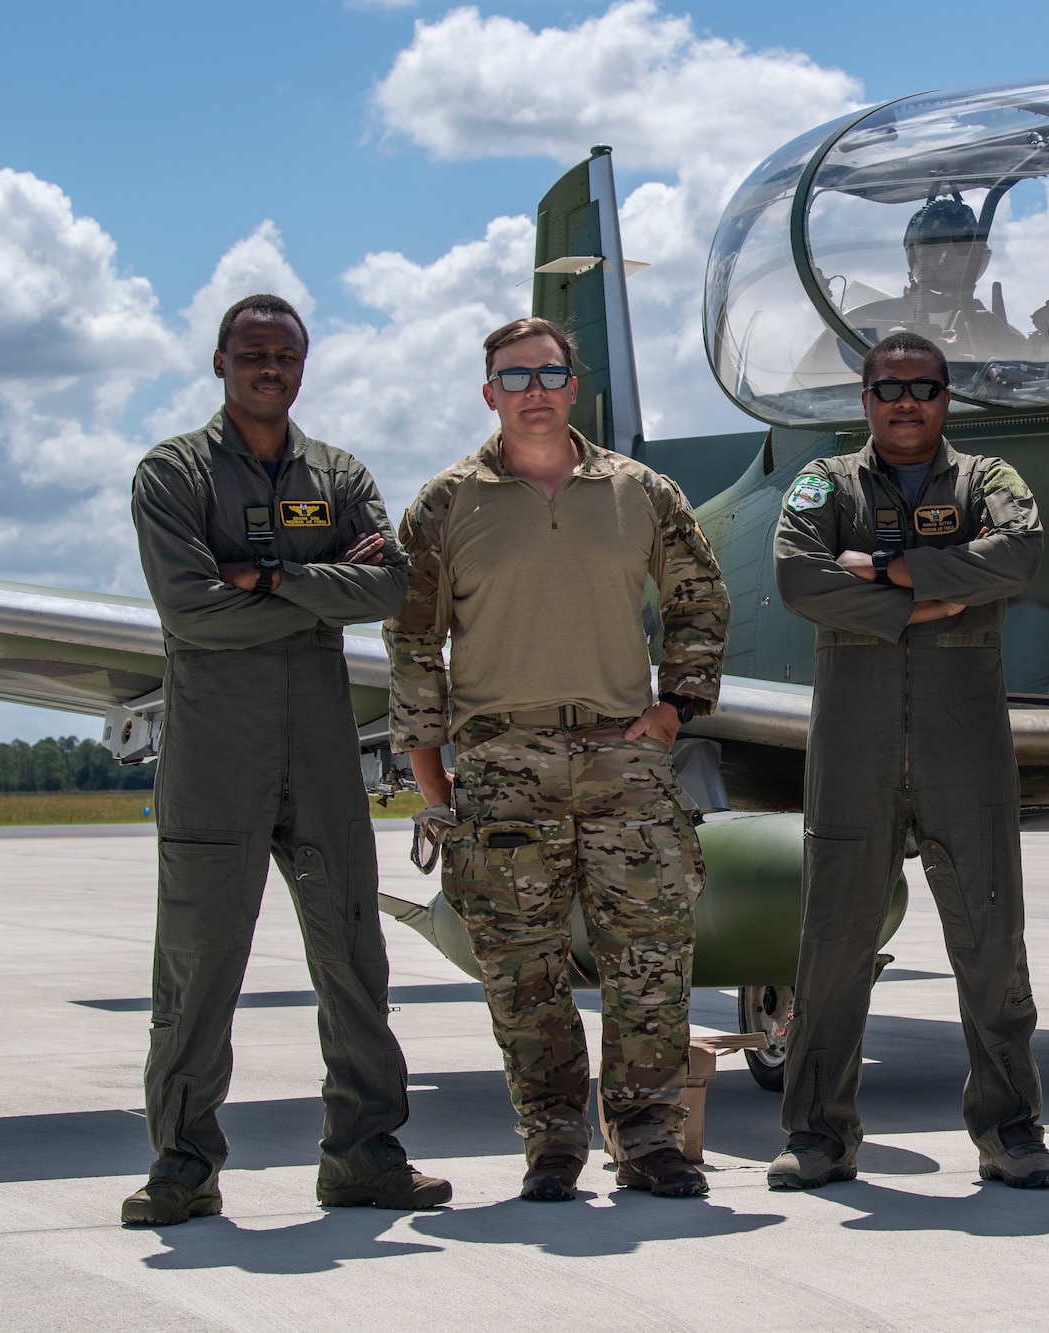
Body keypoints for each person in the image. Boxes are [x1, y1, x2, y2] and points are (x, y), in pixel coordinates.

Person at [122, 294, 449, 1227]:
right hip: (212, 756)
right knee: (197, 968)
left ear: (303, 367)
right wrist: (320, 592)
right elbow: (190, 611)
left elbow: (389, 581)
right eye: (252, 353)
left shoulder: (338, 472)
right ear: (219, 362)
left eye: (285, 355)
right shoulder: (173, 473)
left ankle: (365, 1154)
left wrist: (267, 575)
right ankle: (182, 1167)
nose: (270, 367)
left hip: (320, 749)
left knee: (354, 958)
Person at [385, 317, 729, 1202]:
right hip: (503, 762)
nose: (533, 388)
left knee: (650, 956)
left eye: (549, 372)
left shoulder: (640, 491)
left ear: (574, 386)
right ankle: (551, 1141)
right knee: (521, 969)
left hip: (624, 756)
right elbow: (413, 646)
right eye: (514, 375)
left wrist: (673, 707)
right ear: (489, 392)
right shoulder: (445, 504)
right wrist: (435, 783)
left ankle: (650, 1138)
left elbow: (700, 596)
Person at [769, 329, 1049, 1191]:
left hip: (963, 741)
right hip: (853, 743)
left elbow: (1020, 552)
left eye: (924, 388)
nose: (906, 402)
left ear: (946, 399)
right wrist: (928, 604)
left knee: (992, 941)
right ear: (864, 400)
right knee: (832, 944)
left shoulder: (987, 481)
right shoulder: (825, 483)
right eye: (888, 388)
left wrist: (888, 571)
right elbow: (796, 577)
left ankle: (1010, 1130)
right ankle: (818, 1134)